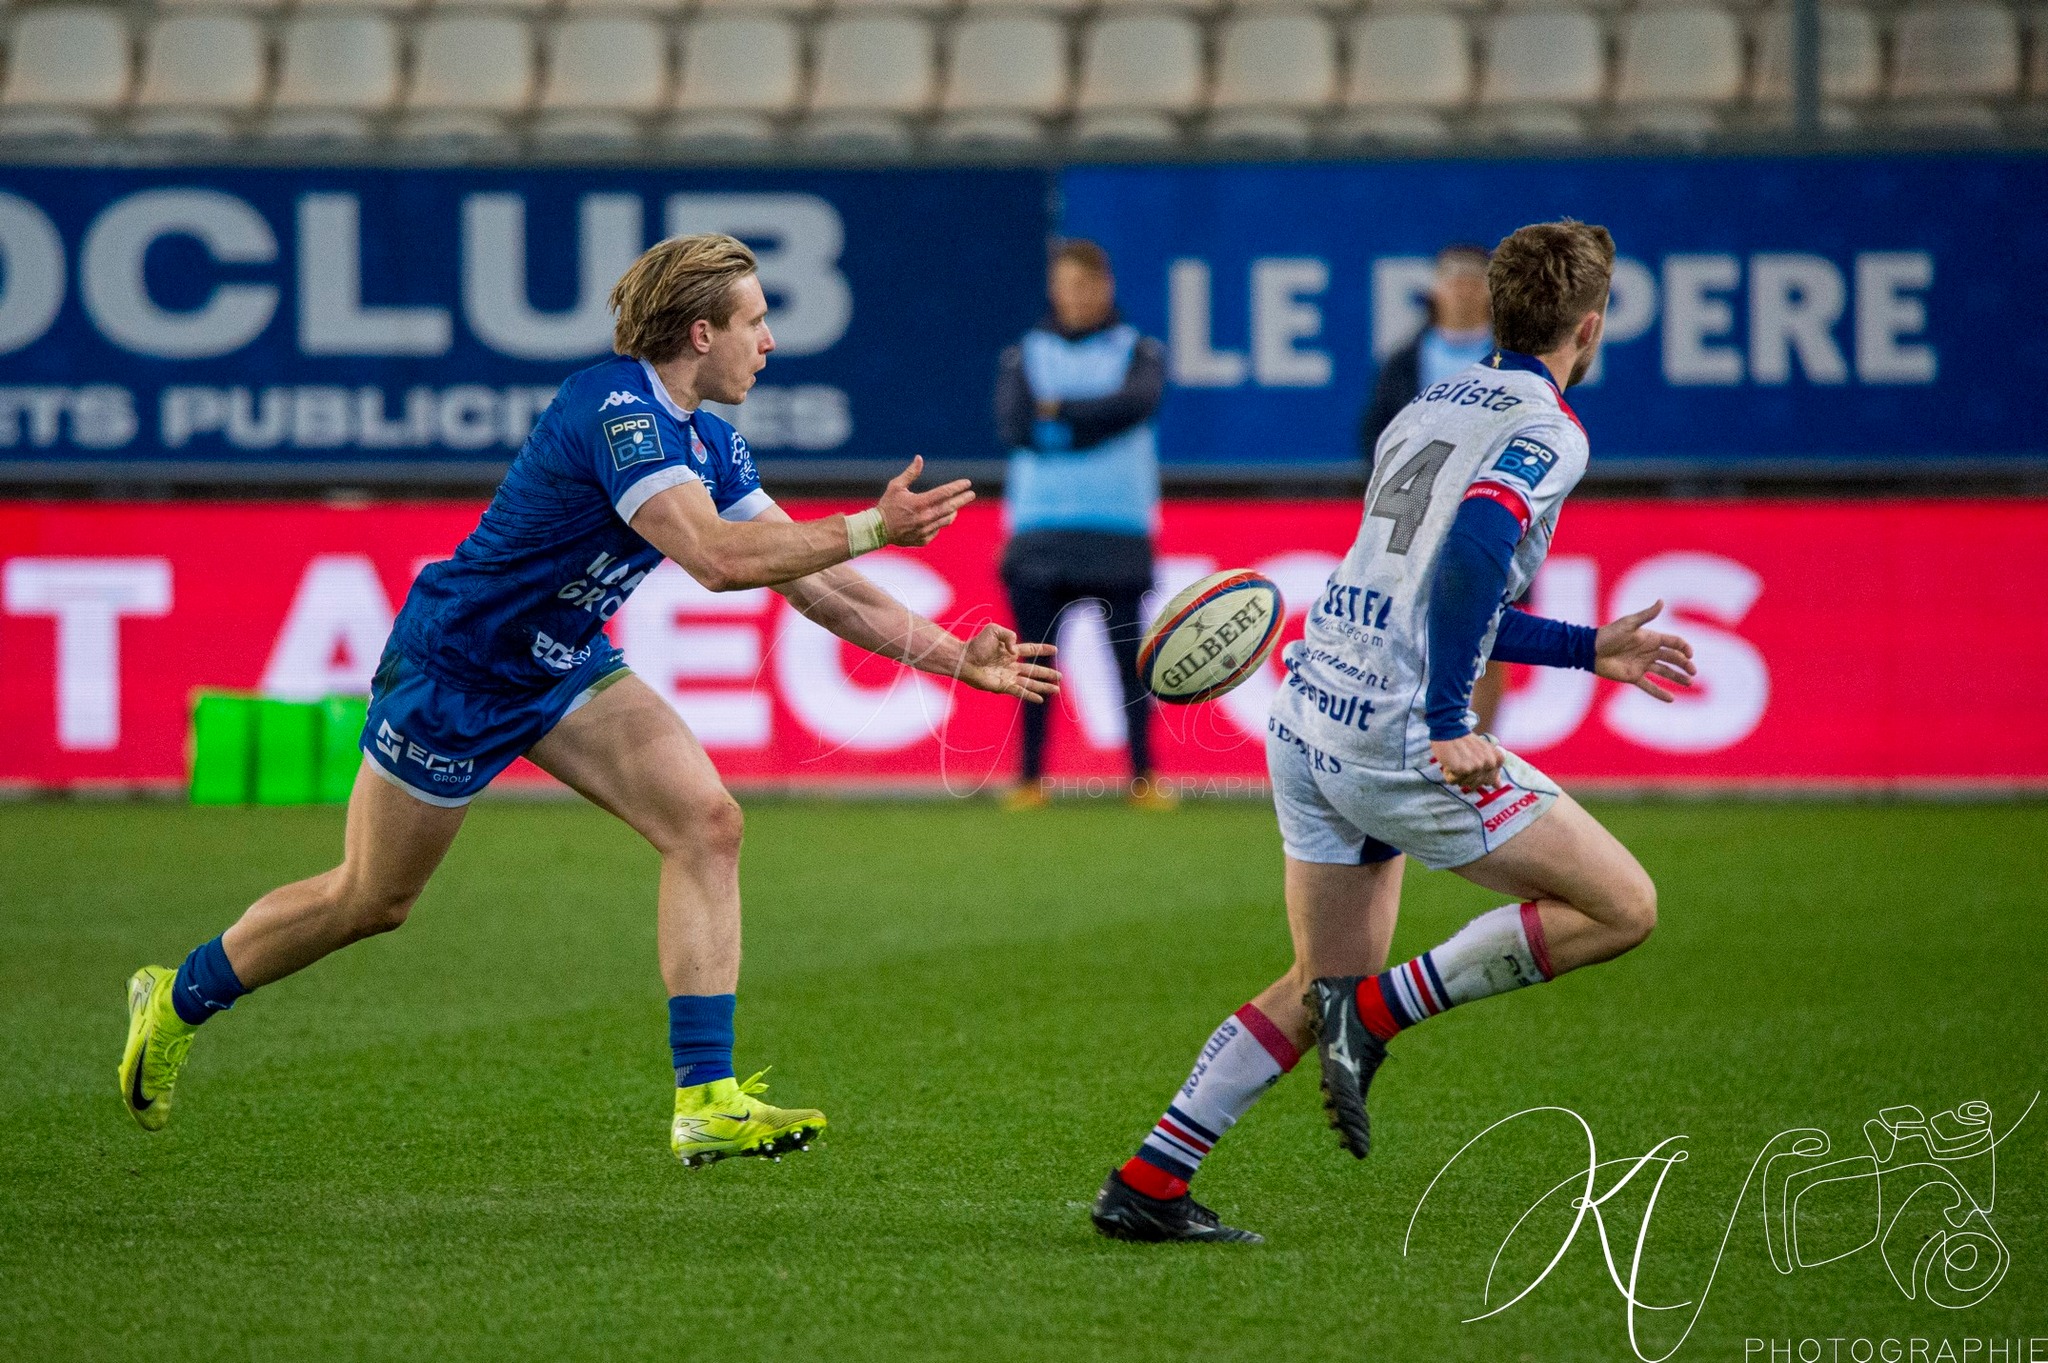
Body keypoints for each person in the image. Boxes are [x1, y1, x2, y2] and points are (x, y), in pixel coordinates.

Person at [119, 233, 1061, 1168]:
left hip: (563, 661)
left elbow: (817, 589)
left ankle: (706, 1100)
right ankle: (177, 996)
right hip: (458, 669)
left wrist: (952, 656)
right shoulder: (614, 411)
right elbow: (721, 560)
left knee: (707, 822)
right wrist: (868, 526)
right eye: (756, 323)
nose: (768, 343)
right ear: (700, 333)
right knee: (371, 899)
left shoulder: (711, 440)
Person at [1090, 220, 1697, 1243]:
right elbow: (1466, 556)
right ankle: (1373, 1016)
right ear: (1587, 327)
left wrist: (1588, 645)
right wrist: (1451, 719)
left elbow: (1432, 583)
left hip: (1312, 706)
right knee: (1621, 906)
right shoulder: (1548, 428)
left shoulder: (1430, 399)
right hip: (1395, 730)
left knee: (1315, 973)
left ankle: (1147, 1182)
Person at [994, 239, 1173, 812]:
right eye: (1066, 286)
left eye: (1086, 286)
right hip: (1040, 529)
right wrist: (1091, 418)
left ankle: (1143, 776)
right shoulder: (1026, 353)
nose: (1076, 297)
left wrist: (1060, 413)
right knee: (1034, 664)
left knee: (1129, 662)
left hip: (1117, 527)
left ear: (1106, 288)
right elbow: (1015, 425)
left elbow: (1134, 405)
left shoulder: (1139, 350)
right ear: (1054, 290)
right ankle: (1029, 778)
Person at [1361, 244, 1512, 735]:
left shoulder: (1514, 362)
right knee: (1407, 631)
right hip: (1418, 519)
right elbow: (1376, 436)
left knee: (1491, 632)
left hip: (1493, 515)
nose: (1465, 293)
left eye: (1475, 282)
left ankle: (1482, 742)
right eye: (1455, 281)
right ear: (1434, 292)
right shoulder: (1405, 362)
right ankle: (1419, 742)